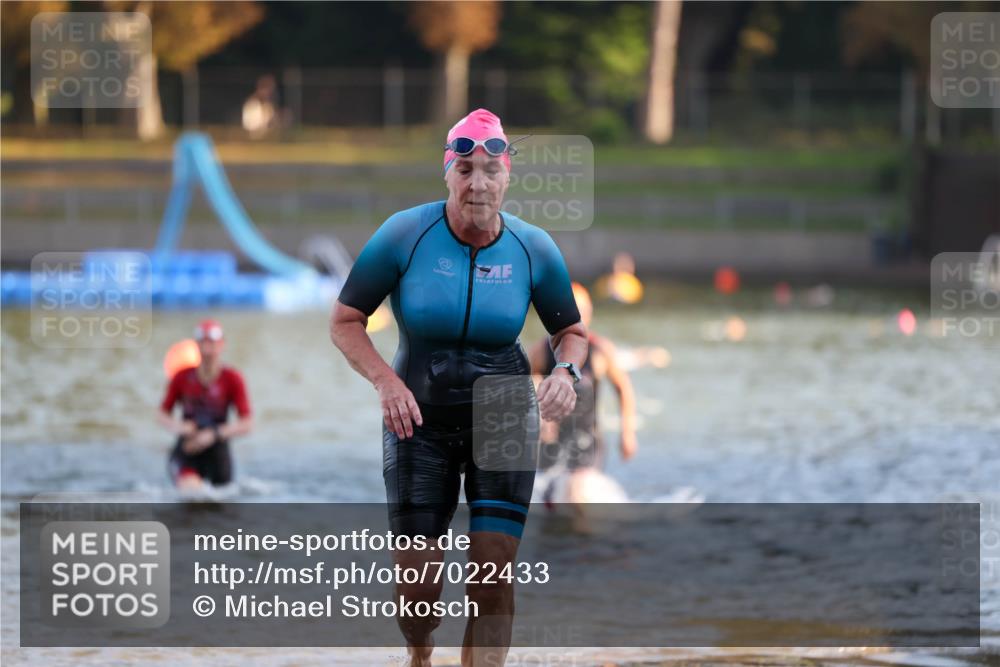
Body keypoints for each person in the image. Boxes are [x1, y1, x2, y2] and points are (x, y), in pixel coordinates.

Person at [330, 108, 587, 667]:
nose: (478, 183)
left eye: (490, 170)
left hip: (503, 413)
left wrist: (567, 373)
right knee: (419, 590)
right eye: (465, 169)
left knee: (492, 575)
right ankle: (420, 654)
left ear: (508, 175)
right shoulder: (405, 234)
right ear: (447, 172)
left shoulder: (533, 247)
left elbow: (571, 333)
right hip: (416, 418)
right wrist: (386, 382)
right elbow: (345, 319)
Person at [529, 283, 637, 503]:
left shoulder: (600, 350)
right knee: (550, 498)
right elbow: (523, 382)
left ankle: (585, 535)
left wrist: (627, 433)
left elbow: (623, 389)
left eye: (582, 313)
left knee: (577, 496)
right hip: (552, 437)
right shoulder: (542, 350)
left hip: (587, 437)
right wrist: (539, 415)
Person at [158, 319, 253, 490]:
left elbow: (247, 424)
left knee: (220, 503)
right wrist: (180, 427)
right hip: (188, 449)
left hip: (217, 450)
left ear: (222, 345)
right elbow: (162, 414)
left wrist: (214, 434)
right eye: (203, 343)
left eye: (212, 344)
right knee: (193, 494)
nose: (208, 350)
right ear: (196, 345)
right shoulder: (182, 377)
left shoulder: (232, 379)